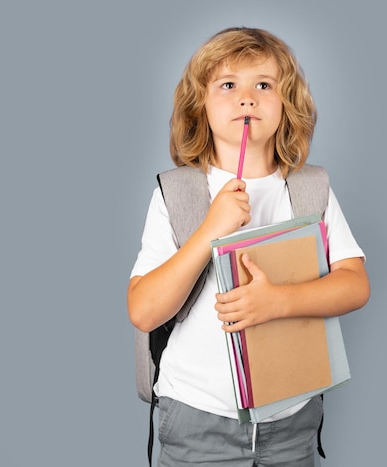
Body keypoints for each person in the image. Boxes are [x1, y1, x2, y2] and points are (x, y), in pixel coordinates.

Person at [128, 27, 370, 467]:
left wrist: (276, 302)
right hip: (197, 420)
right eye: (227, 85)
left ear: (286, 106)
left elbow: (355, 285)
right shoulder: (178, 192)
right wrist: (210, 230)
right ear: (199, 107)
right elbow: (144, 311)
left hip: (292, 420)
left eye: (263, 84)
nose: (246, 98)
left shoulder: (309, 188)